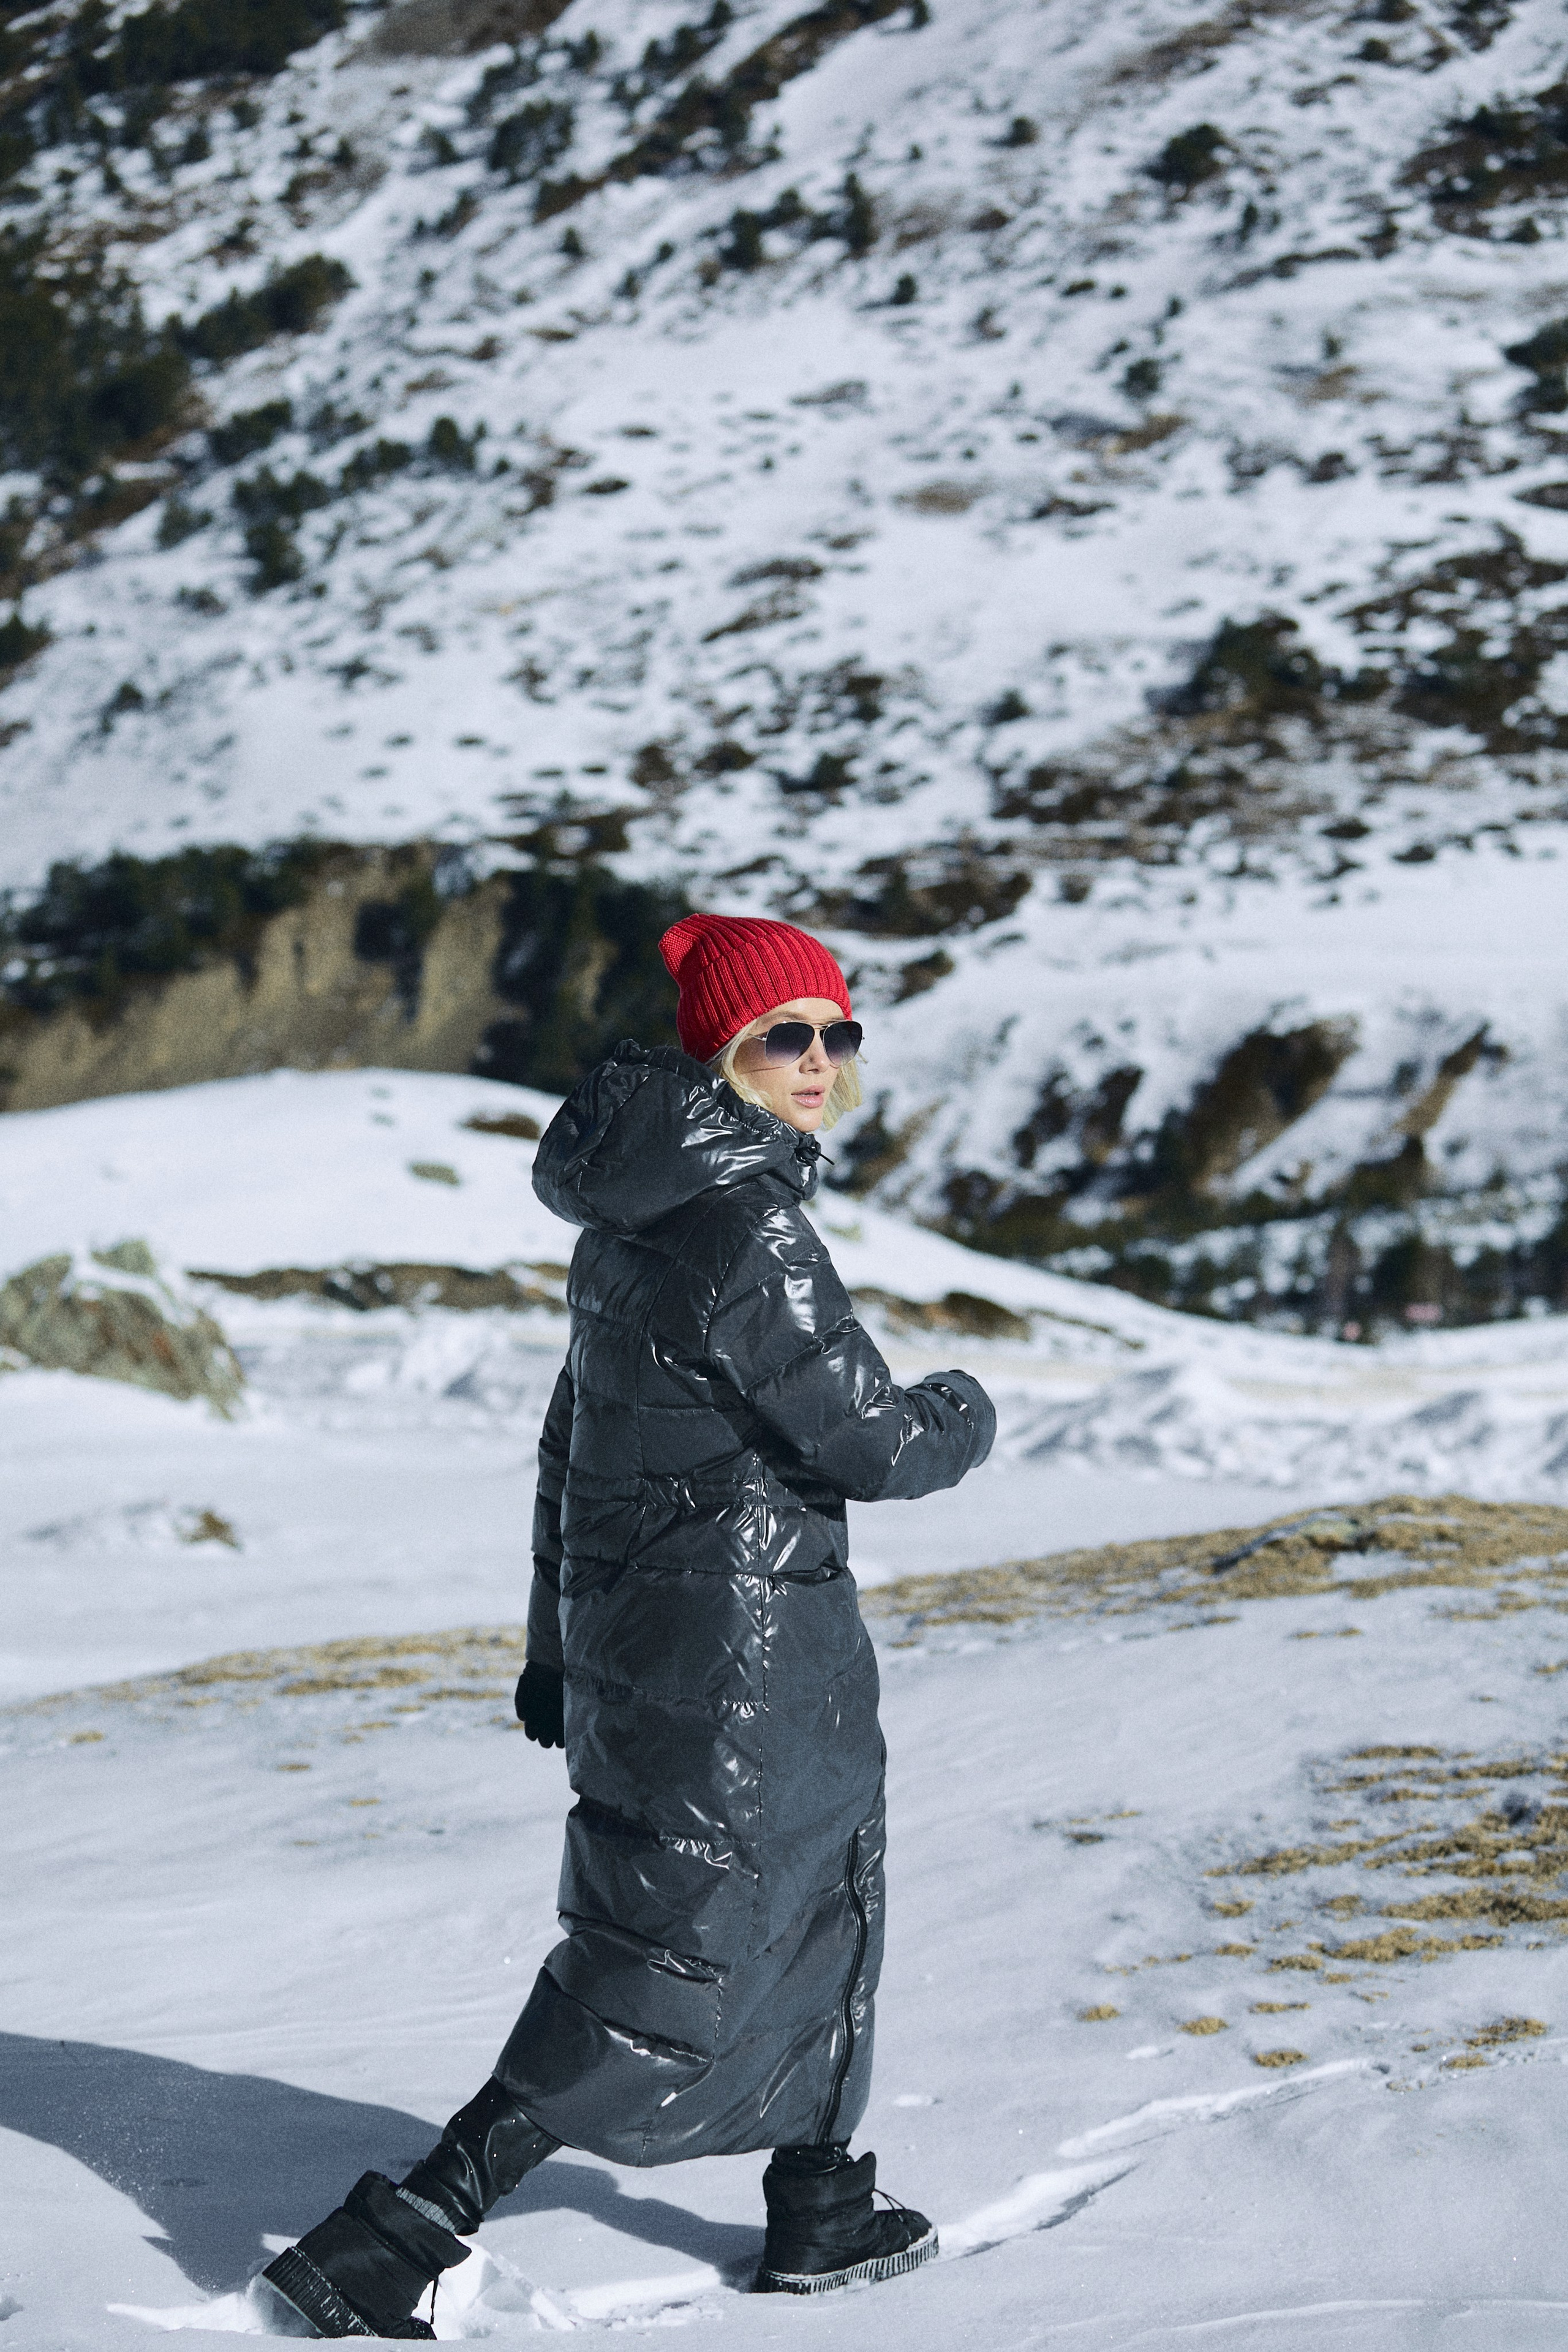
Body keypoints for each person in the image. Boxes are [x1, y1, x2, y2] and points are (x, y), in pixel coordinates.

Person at [261, 913, 997, 2337]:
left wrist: (552, 1649)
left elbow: (572, 1451)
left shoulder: (630, 1222)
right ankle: (397, 2235)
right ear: (718, 1053)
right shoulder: (749, 1225)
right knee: (670, 1951)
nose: (816, 1061)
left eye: (834, 1033)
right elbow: (873, 1444)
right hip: (750, 1655)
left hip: (647, 1645)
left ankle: (821, 2199)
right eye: (782, 1036)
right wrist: (963, 1411)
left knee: (800, 1901)